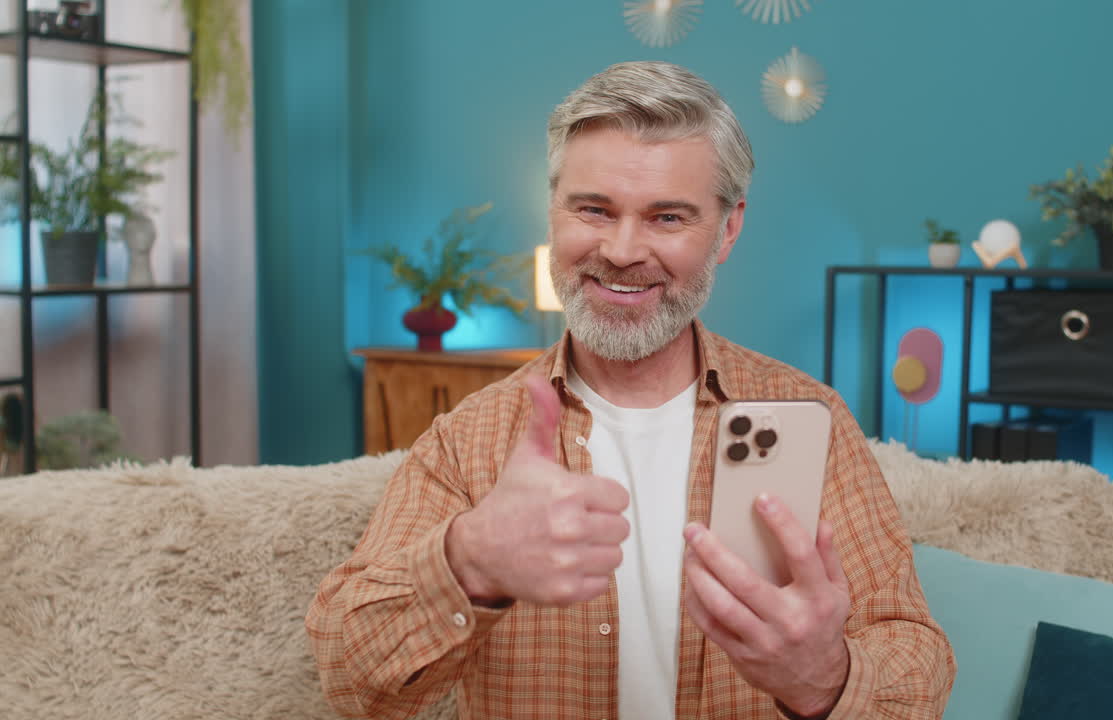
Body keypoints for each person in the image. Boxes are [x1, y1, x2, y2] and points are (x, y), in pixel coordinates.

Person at [306, 61, 955, 720]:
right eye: (594, 209)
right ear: (553, 207)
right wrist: (470, 559)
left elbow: (918, 664)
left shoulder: (804, 419)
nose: (620, 250)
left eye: (667, 217)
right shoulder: (468, 440)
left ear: (727, 230)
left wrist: (823, 678)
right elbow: (349, 676)